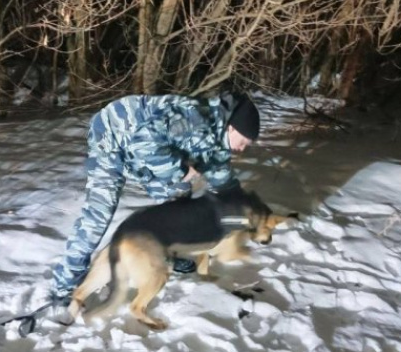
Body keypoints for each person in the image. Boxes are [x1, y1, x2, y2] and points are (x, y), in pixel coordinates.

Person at [49, 92, 260, 320]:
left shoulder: (220, 142)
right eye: (243, 142)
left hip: (147, 153)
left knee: (178, 196)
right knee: (98, 216)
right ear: (231, 128)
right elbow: (144, 144)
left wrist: (244, 204)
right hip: (113, 137)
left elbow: (222, 177)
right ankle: (64, 286)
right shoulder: (193, 118)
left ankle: (171, 249)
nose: (242, 149)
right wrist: (181, 170)